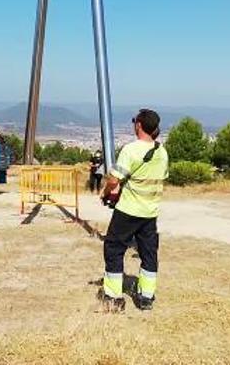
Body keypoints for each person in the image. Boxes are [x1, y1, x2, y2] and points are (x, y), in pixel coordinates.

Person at [99, 109, 169, 312]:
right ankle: (146, 297)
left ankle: (113, 296)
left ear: (138, 125)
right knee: (149, 253)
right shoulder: (162, 152)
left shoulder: (131, 150)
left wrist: (106, 192)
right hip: (150, 212)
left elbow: (114, 179)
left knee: (113, 248)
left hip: (128, 211)